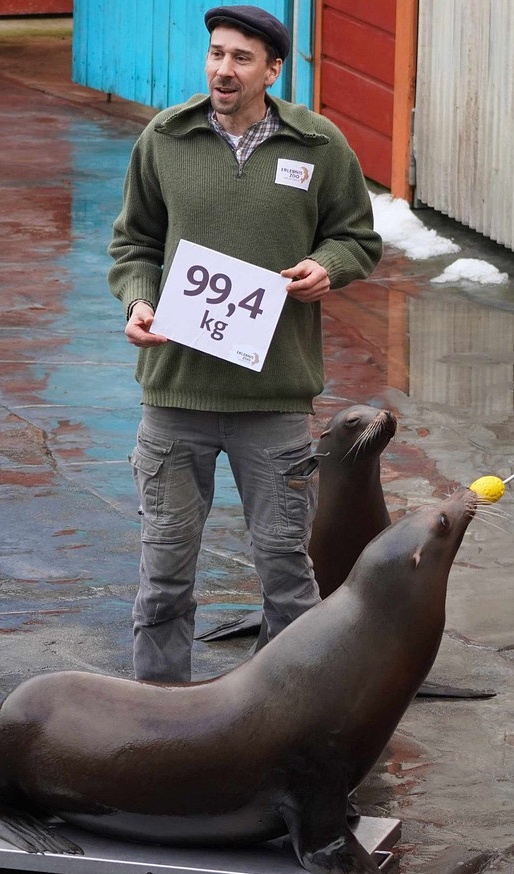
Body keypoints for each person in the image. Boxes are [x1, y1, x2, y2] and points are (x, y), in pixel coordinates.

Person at [108, 5, 382, 683]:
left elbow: (356, 237)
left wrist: (330, 268)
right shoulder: (164, 139)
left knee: (288, 574)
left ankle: (279, 712)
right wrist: (139, 300)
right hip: (176, 397)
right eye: (216, 54)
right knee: (165, 573)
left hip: (275, 402)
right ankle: (158, 711)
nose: (223, 69)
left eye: (241, 58)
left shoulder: (318, 146)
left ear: (274, 69)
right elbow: (135, 243)